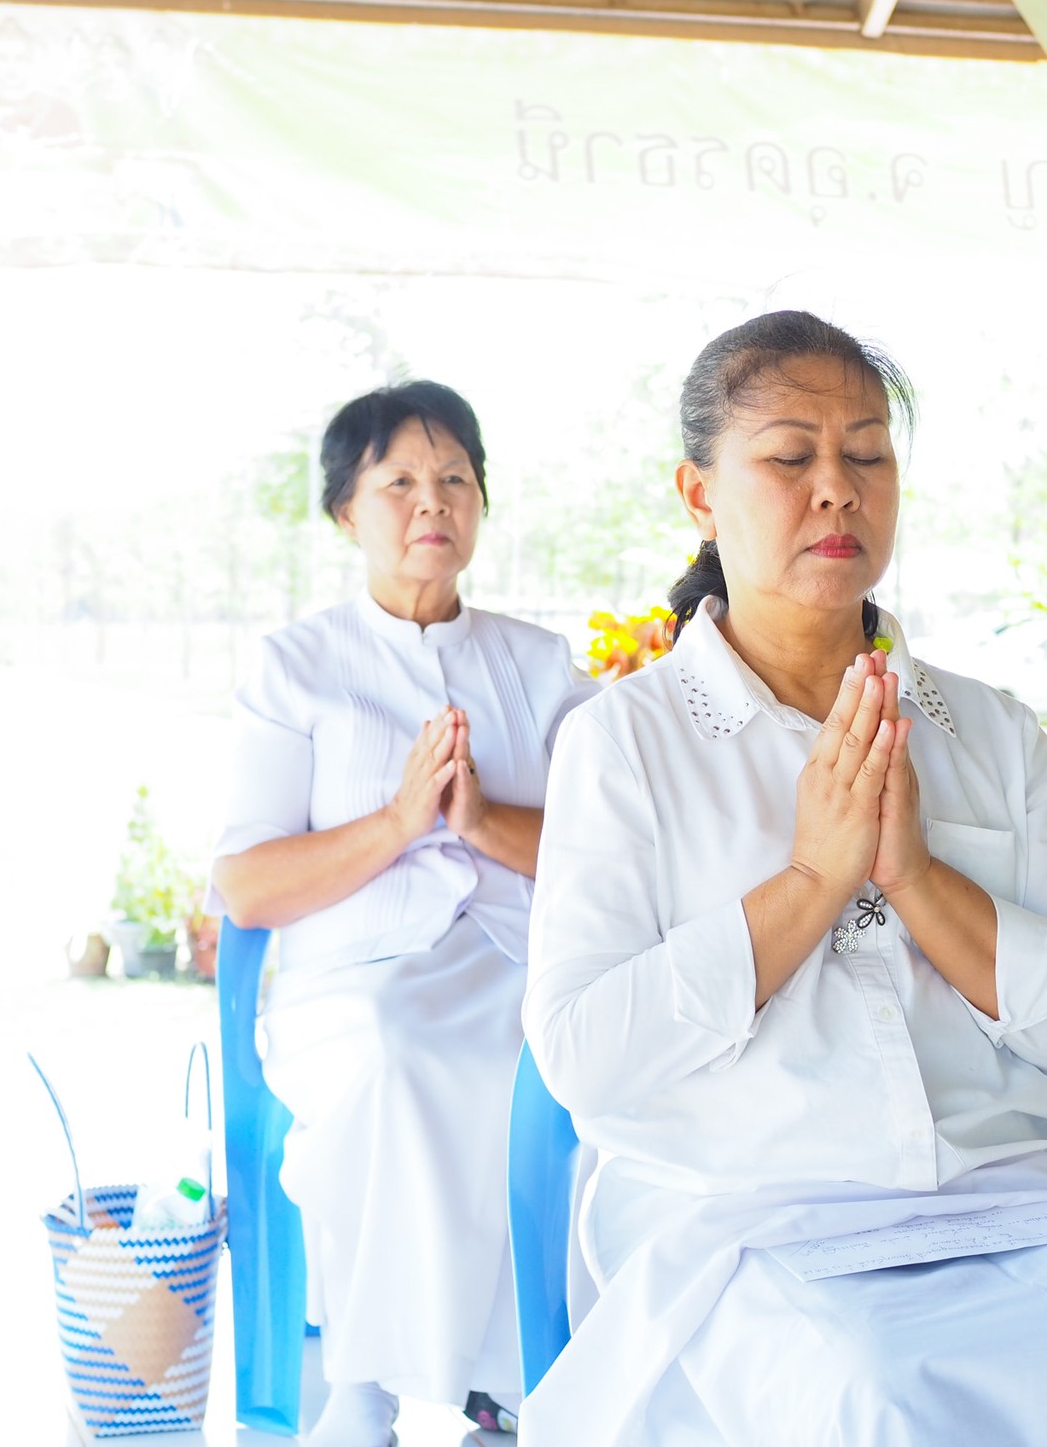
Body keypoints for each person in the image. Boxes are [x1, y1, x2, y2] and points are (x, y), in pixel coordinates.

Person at [521, 311, 1047, 1447]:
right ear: (697, 493)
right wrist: (808, 881)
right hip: (747, 1220)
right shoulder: (624, 744)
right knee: (876, 1400)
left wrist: (917, 877)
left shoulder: (985, 732)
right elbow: (582, 1056)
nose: (836, 489)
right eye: (789, 457)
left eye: (868, 454)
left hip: (1012, 1208)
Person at [208, 380, 599, 1446]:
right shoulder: (296, 667)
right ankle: (370, 1384)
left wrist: (476, 822)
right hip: (353, 982)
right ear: (345, 511)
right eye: (399, 483)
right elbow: (246, 886)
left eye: (456, 480)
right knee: (397, 1053)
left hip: (517, 961)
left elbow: (600, 852)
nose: (433, 503)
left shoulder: (537, 666)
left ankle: (518, 1387)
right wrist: (395, 822)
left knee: (577, 1059)